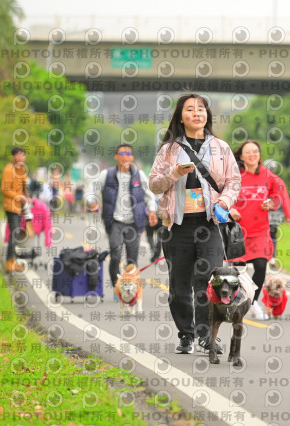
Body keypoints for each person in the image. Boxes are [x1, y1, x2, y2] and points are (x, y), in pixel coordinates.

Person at [149, 94, 240, 355]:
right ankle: (186, 334)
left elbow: (233, 182)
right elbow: (154, 185)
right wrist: (174, 173)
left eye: (201, 109)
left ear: (207, 115)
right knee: (179, 286)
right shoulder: (168, 149)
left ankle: (205, 334)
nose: (196, 113)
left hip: (210, 224)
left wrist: (224, 201)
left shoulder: (221, 147)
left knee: (207, 280)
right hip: (177, 226)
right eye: (190, 109)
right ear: (180, 117)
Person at [85, 144, 158, 293]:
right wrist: (91, 202)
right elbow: (91, 191)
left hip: (134, 223)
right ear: (116, 156)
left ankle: (131, 288)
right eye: (122, 153)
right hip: (115, 222)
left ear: (132, 157)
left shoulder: (139, 175)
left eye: (128, 154)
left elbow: (149, 195)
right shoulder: (107, 175)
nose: (125, 156)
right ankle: (116, 287)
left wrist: (152, 211)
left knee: (132, 260)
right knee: (115, 255)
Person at [228, 140, 280, 321]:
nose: (252, 155)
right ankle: (237, 301)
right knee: (238, 271)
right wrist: (230, 210)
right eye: (248, 152)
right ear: (241, 156)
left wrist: (272, 203)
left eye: (255, 151)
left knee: (260, 265)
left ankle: (253, 302)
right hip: (238, 232)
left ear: (259, 155)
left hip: (260, 231)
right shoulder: (235, 176)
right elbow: (225, 196)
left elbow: (277, 195)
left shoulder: (267, 175)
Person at [1, 147, 29, 272]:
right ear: (14, 156)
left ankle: (11, 261)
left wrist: (27, 198)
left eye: (23, 155)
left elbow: (23, 187)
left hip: (19, 206)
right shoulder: (9, 170)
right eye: (19, 155)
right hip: (11, 205)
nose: (22, 157)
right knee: (15, 232)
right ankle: (9, 262)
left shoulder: (22, 169)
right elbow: (5, 189)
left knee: (16, 233)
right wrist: (19, 197)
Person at [263, 159, 290, 267]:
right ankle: (272, 257)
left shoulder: (261, 181)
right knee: (273, 235)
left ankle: (265, 256)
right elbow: (285, 198)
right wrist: (288, 215)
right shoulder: (279, 181)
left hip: (265, 213)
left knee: (264, 235)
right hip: (277, 214)